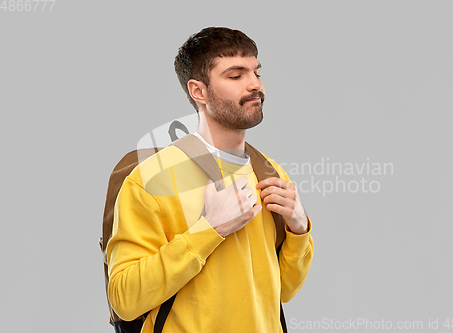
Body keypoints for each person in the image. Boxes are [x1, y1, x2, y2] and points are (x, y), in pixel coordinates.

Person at [107, 27, 314, 333]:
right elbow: (124, 299)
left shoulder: (269, 172)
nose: (255, 85)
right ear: (199, 91)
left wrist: (298, 229)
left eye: (256, 72)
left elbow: (282, 290)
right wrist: (210, 229)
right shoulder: (150, 179)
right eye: (236, 75)